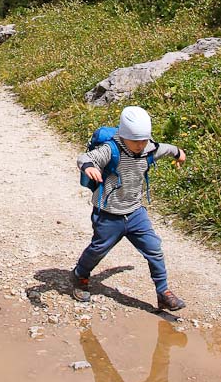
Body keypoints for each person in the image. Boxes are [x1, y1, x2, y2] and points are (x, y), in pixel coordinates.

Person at [72, 105, 187, 310]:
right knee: (98, 249)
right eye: (135, 141)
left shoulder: (149, 148)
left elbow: (167, 148)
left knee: (154, 249)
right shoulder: (111, 149)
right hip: (108, 214)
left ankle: (163, 292)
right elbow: (85, 158)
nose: (140, 145)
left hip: (135, 212)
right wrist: (89, 167)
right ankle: (80, 274)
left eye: (143, 140)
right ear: (123, 136)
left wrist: (178, 153)